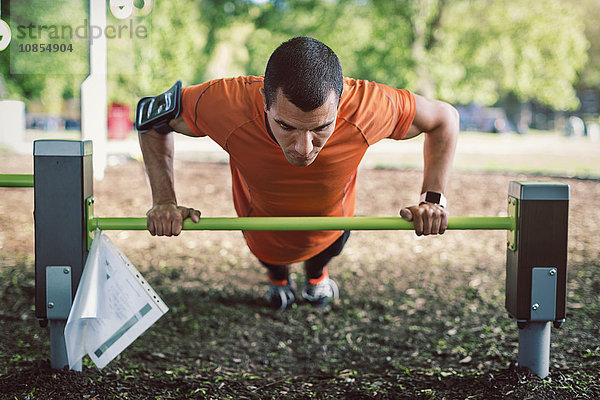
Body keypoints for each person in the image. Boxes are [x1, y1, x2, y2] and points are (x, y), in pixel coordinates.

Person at [138, 36, 458, 312]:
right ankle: (278, 279)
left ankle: (316, 276)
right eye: (286, 126)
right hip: (262, 225)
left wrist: (432, 199)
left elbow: (445, 118)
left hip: (331, 224)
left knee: (327, 249)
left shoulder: (368, 106)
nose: (304, 148)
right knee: (270, 256)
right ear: (264, 101)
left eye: (321, 127)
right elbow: (151, 117)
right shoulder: (226, 103)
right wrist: (164, 200)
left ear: (341, 102)